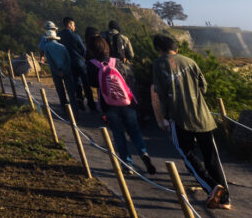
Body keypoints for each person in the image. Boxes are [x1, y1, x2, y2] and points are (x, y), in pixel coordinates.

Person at [152, 34, 231, 210]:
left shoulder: (158, 64)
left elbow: (160, 93)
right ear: (176, 48)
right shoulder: (190, 61)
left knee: (187, 154)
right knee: (212, 157)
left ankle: (212, 187)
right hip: (202, 115)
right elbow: (203, 86)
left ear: (158, 49)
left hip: (179, 118)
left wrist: (163, 117)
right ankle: (225, 199)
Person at [89, 36, 155, 174]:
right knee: (135, 131)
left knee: (118, 134)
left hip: (109, 105)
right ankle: (144, 153)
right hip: (126, 103)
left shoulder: (92, 64)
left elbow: (92, 83)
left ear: (92, 49)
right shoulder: (116, 61)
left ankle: (127, 164)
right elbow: (128, 78)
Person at [39, 28, 80, 110]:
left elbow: (50, 61)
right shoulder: (62, 46)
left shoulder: (47, 47)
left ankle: (64, 108)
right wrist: (65, 70)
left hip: (56, 71)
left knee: (60, 90)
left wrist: (57, 71)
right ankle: (75, 109)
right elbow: (68, 60)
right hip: (67, 70)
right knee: (70, 91)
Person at [58, 17, 93, 111]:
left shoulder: (59, 36)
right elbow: (83, 50)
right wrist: (81, 57)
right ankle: (91, 104)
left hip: (68, 64)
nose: (74, 27)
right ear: (69, 25)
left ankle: (80, 102)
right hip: (79, 62)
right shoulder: (75, 36)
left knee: (76, 83)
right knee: (86, 83)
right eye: (73, 25)